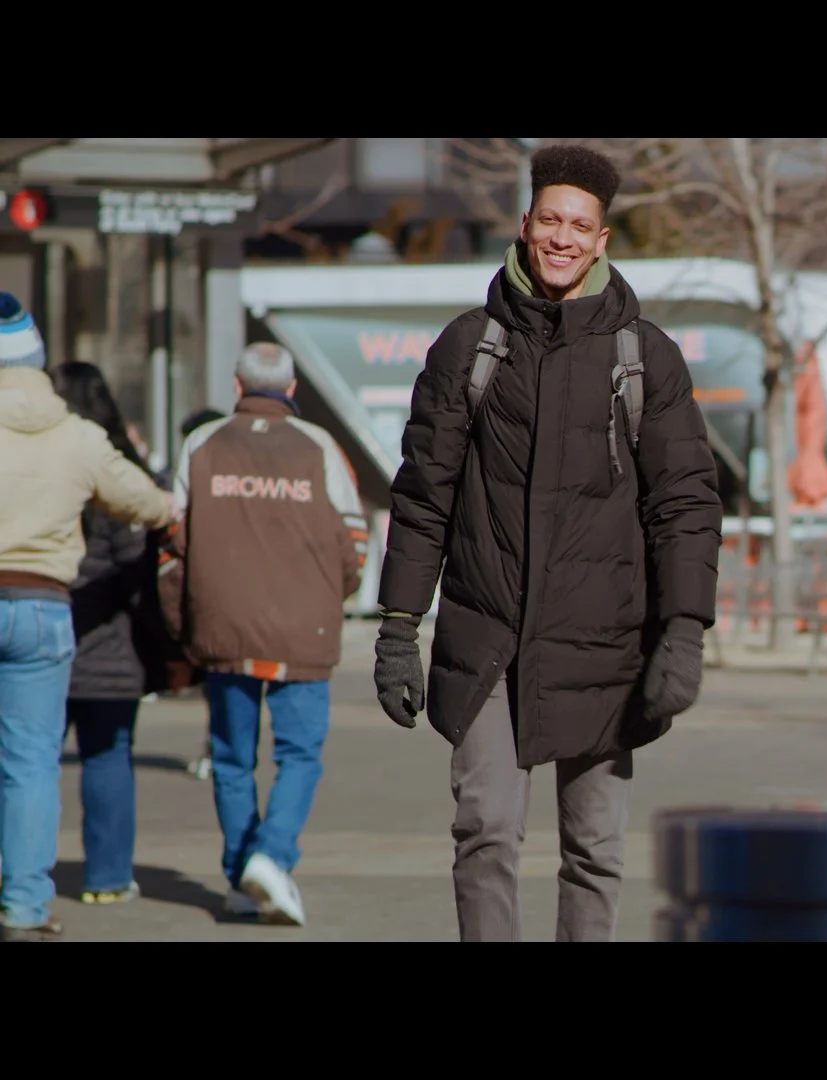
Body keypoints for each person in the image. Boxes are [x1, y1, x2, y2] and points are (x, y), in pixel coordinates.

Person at [373, 144, 723, 942]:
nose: (564, 239)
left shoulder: (645, 357)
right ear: (527, 224)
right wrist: (398, 628)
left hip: (607, 645)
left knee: (595, 849)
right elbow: (424, 497)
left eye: (582, 226)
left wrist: (684, 631)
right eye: (551, 221)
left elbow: (686, 505)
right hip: (489, 634)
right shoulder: (469, 348)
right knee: (486, 828)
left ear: (603, 240)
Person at [157, 342, 368, 926]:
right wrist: (330, 598)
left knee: (231, 759)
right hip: (305, 628)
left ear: (236, 385)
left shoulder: (200, 444)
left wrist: (186, 623)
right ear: (292, 389)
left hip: (223, 628)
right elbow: (354, 543)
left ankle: (239, 880)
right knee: (299, 754)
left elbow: (171, 548)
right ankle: (271, 856)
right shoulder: (320, 447)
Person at [0, 294, 176, 941]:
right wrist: (167, 512)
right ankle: (22, 906)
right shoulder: (76, 436)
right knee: (31, 761)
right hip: (44, 606)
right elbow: (145, 503)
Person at [51, 362, 178, 906]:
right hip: (112, 641)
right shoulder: (120, 467)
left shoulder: (42, 456)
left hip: (42, 626)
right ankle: (105, 878)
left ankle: (21, 872)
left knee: (26, 759)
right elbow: (142, 558)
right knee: (108, 754)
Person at [167, 407, 224, 782]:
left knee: (220, 685)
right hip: (241, 596)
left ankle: (218, 752)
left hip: (210, 596)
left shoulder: (198, 472)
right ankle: (218, 752)